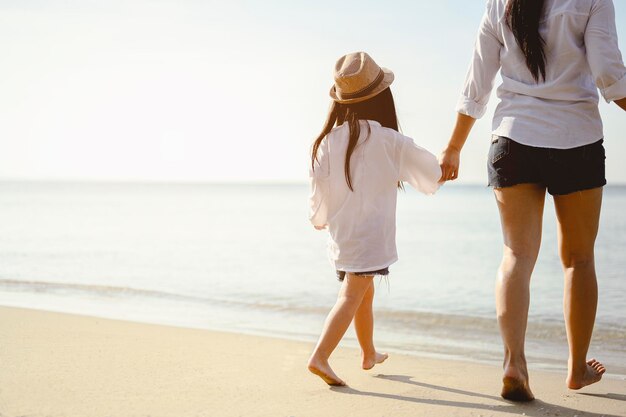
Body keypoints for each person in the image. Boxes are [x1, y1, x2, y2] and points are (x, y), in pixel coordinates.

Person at [439, 0, 626, 402]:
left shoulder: (499, 3)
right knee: (579, 259)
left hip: (513, 138)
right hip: (575, 140)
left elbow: (477, 82)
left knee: (516, 255)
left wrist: (453, 147)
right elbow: (609, 72)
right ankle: (576, 369)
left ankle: (514, 364)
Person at [307, 51, 442, 386]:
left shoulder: (326, 142)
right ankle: (320, 356)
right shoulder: (388, 140)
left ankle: (368, 352)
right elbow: (429, 172)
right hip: (369, 238)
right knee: (352, 296)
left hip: (342, 237)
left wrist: (318, 217)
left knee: (363, 293)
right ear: (382, 97)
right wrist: (443, 170)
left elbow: (318, 192)